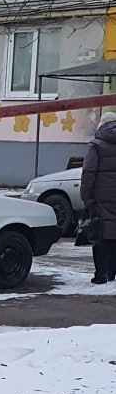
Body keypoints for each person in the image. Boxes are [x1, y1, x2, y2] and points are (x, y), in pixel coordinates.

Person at [80, 112, 116, 283]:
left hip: (101, 196)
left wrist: (87, 198)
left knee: (101, 235)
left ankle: (101, 275)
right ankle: (113, 273)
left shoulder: (96, 145)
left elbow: (88, 172)